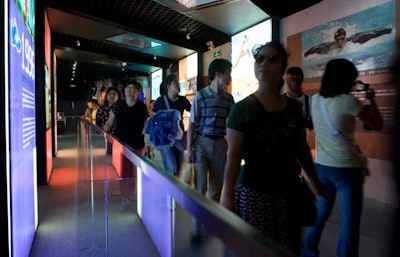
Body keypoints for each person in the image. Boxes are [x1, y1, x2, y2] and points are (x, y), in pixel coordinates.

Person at [219, 41, 326, 254]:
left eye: (272, 58)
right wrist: (227, 197)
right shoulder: (242, 110)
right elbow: (233, 156)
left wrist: (314, 179)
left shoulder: (294, 109)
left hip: (288, 192)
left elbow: (301, 148)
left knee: (289, 248)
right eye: (260, 59)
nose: (264, 63)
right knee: (258, 249)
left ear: (282, 67)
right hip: (253, 192)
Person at [302, 58, 383, 257]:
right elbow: (376, 124)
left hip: (322, 166)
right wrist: (371, 99)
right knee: (349, 223)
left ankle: (308, 251)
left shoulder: (315, 100)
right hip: (347, 169)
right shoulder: (349, 101)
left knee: (320, 215)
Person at [186, 58, 235, 239]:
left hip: (220, 145)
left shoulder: (229, 99)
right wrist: (189, 149)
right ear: (218, 75)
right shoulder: (201, 96)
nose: (230, 77)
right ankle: (196, 225)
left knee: (216, 189)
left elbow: (232, 126)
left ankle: (208, 222)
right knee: (200, 187)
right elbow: (192, 124)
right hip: (201, 144)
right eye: (228, 73)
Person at [103, 79, 149, 210]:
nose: (130, 90)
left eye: (133, 88)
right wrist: (103, 133)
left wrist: (149, 143)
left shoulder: (141, 107)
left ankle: (131, 193)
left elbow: (146, 126)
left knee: (135, 171)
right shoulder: (118, 105)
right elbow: (110, 122)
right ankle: (125, 197)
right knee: (124, 171)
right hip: (121, 144)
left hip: (137, 143)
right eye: (128, 88)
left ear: (137, 92)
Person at [152, 74, 191, 175]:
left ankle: (174, 189)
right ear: (168, 86)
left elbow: (194, 113)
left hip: (179, 137)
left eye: (178, 83)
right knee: (171, 168)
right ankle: (170, 190)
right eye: (176, 83)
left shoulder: (183, 100)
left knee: (179, 168)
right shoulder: (160, 101)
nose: (179, 86)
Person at [304, 26, 393, 57]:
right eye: (337, 40)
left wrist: (387, 30)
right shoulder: (329, 47)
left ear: (345, 38)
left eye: (342, 39)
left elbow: (372, 33)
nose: (340, 42)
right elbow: (315, 48)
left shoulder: (354, 40)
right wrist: (307, 53)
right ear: (335, 40)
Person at [284, 66, 313, 130]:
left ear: (300, 80)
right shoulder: (281, 100)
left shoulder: (309, 101)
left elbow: (314, 124)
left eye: (292, 80)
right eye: (287, 80)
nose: (288, 84)